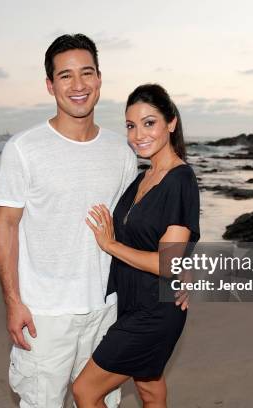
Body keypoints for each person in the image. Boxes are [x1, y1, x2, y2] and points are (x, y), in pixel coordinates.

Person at [0, 34, 139, 407]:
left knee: (102, 403)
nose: (78, 86)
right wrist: (13, 301)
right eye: (65, 76)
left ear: (99, 79)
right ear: (50, 84)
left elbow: (131, 228)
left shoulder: (121, 150)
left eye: (86, 73)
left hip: (106, 309)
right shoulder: (24, 149)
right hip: (45, 313)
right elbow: (5, 225)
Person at [72, 84, 201, 408]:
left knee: (85, 392)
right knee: (149, 389)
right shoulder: (143, 177)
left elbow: (167, 263)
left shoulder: (180, 179)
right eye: (131, 125)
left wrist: (110, 244)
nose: (138, 134)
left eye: (149, 122)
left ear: (171, 122)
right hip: (133, 302)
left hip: (155, 311)